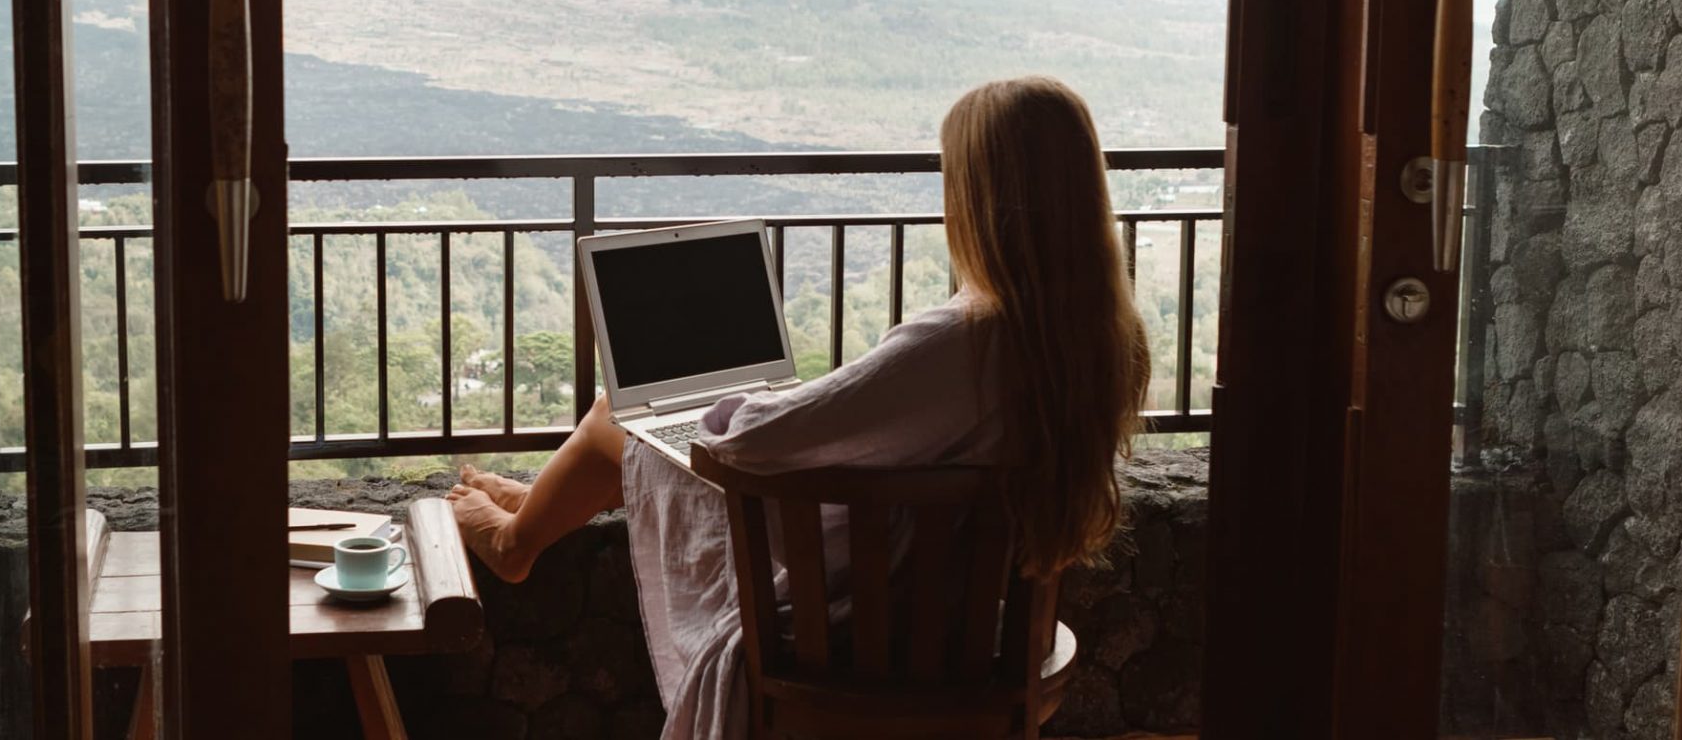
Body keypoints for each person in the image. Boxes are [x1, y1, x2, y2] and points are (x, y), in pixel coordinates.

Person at [446, 75, 1153, 738]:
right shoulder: (1100, 341)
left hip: (863, 630)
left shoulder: (962, 342)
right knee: (640, 434)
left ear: (982, 198)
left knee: (619, 414)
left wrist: (751, 398)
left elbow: (748, 442)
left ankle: (514, 544)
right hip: (981, 627)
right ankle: (534, 504)